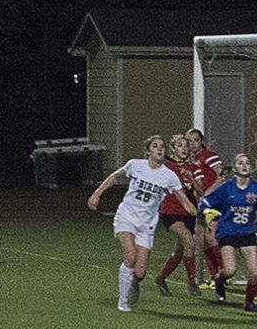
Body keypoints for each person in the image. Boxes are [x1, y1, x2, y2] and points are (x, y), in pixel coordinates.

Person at [86, 135, 197, 312]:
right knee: (130, 256)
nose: (159, 149)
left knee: (140, 273)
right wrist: (96, 194)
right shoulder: (136, 165)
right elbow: (115, 176)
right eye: (155, 146)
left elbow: (184, 200)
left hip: (146, 224)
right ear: (148, 151)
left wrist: (200, 212)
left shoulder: (169, 176)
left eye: (162, 146)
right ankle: (123, 302)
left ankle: (133, 283)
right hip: (127, 217)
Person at [197, 152, 257, 313]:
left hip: (247, 233)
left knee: (255, 273)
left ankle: (249, 303)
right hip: (227, 232)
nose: (244, 165)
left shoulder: (256, 189)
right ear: (234, 168)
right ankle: (219, 281)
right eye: (240, 163)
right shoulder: (226, 188)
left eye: (247, 162)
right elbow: (204, 202)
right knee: (230, 270)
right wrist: (209, 212)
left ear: (251, 167)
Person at [154, 133, 204, 296]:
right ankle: (192, 284)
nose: (184, 148)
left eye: (186, 145)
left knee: (180, 251)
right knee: (190, 243)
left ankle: (161, 278)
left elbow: (201, 191)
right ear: (173, 149)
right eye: (180, 145)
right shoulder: (167, 167)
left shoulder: (194, 168)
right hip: (171, 212)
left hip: (189, 213)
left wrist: (192, 179)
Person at [186, 128, 225, 288]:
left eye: (196, 140)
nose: (193, 144)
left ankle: (222, 273)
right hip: (200, 202)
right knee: (202, 240)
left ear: (201, 141)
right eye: (190, 141)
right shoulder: (190, 160)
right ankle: (213, 276)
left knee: (211, 236)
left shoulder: (209, 156)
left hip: (213, 200)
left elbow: (222, 175)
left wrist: (207, 194)